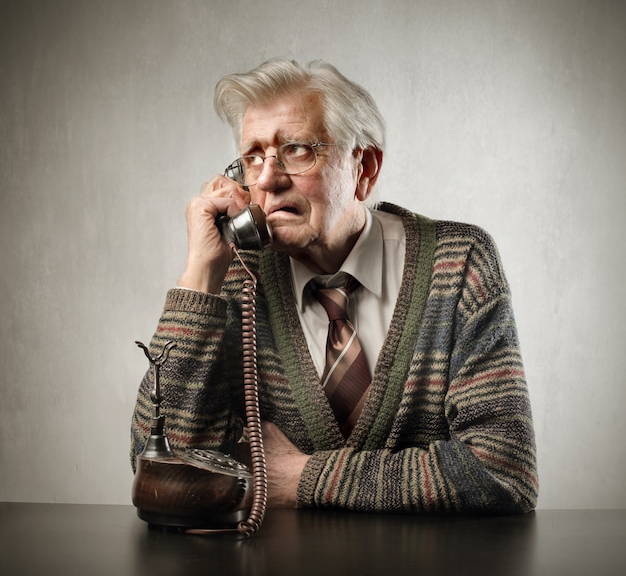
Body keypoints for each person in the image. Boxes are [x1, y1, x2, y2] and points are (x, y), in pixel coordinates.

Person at [130, 58, 538, 513]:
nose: (267, 179)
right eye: (253, 157)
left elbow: (503, 472)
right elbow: (163, 470)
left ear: (363, 168)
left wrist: (301, 477)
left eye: (297, 150)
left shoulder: (460, 263)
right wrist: (200, 279)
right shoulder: (234, 277)